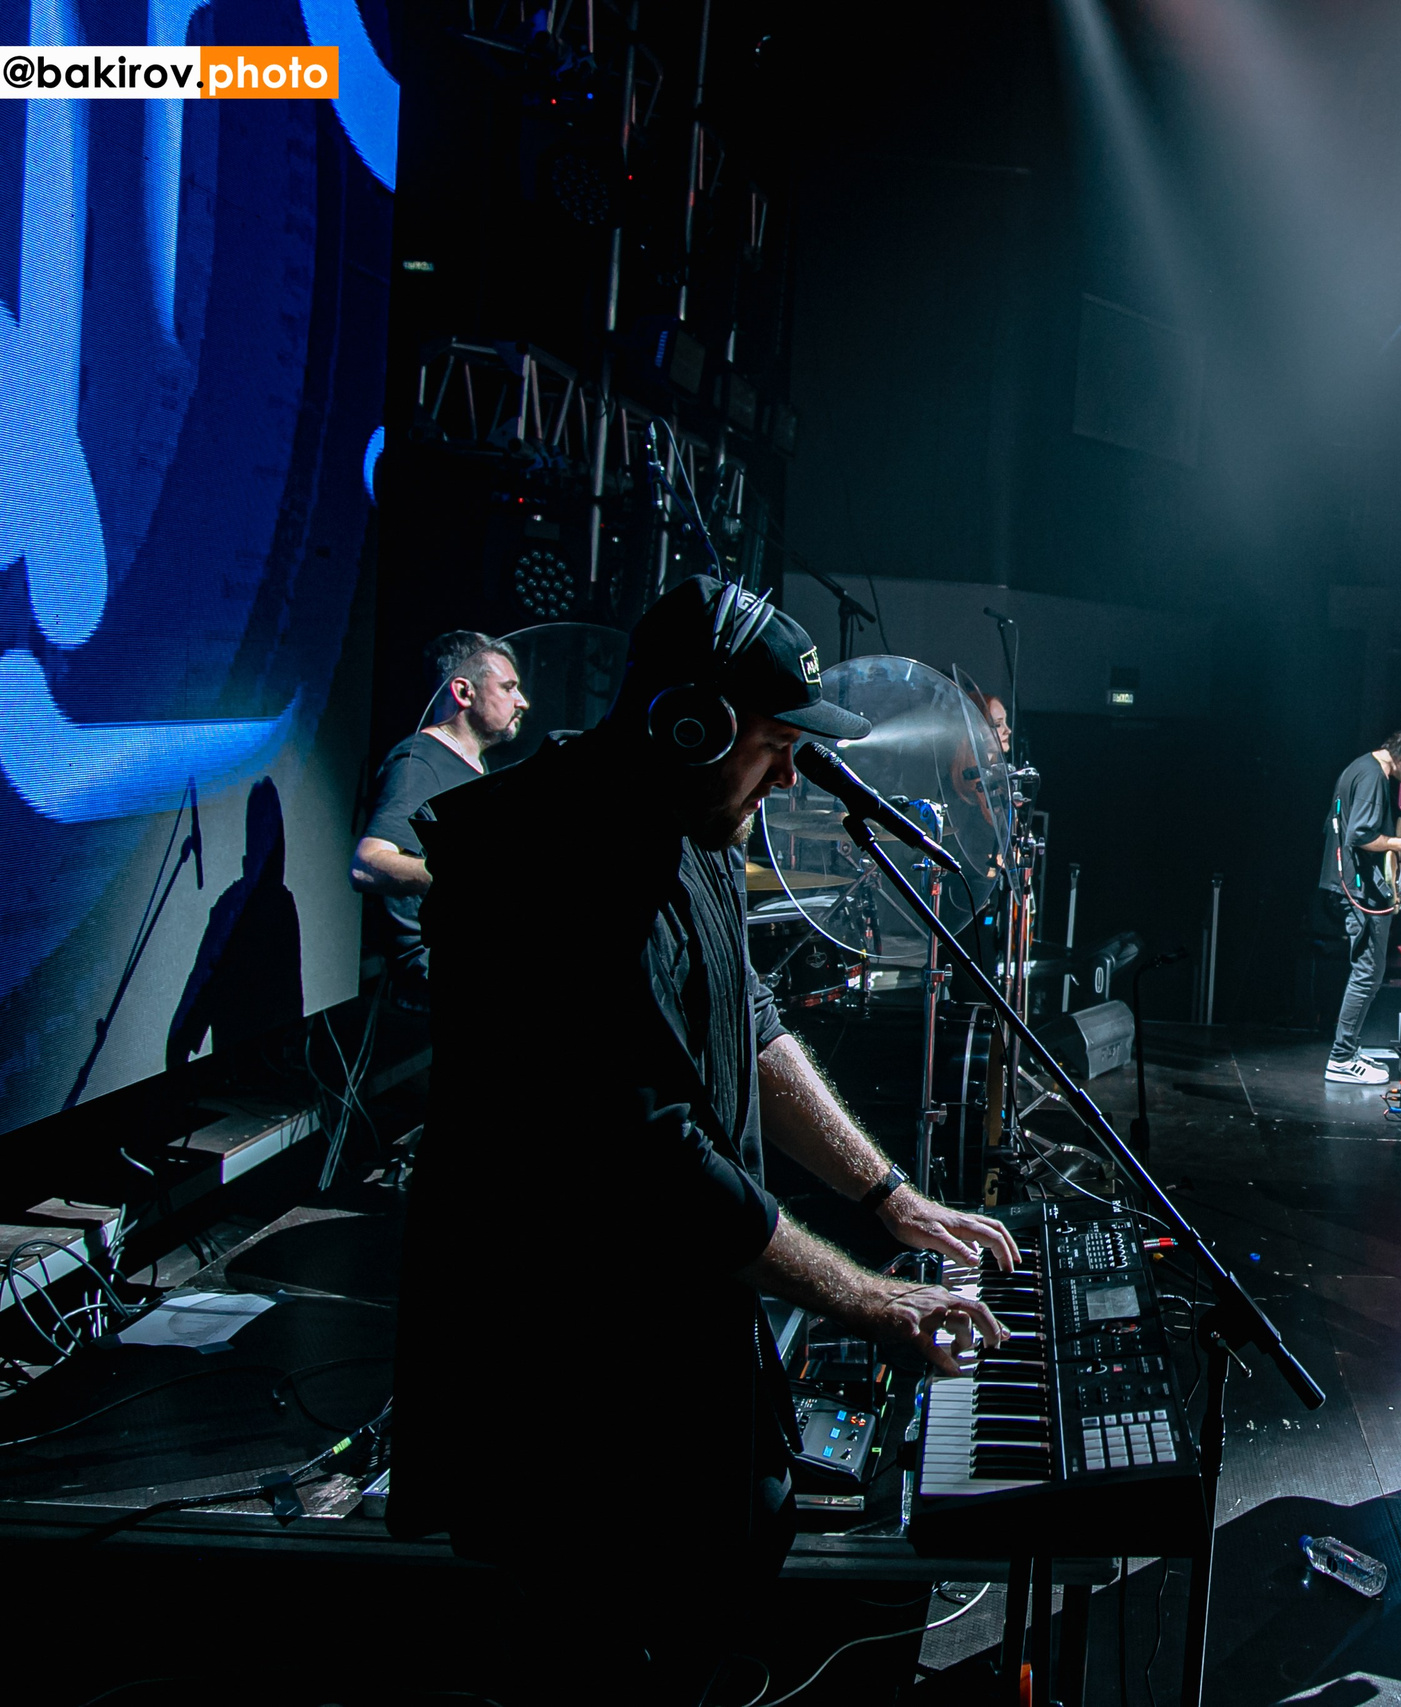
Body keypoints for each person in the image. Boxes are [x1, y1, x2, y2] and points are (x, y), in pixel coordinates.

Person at [394, 579, 1015, 1693]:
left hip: (659, 1341)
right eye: (776, 746)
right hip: (567, 1386)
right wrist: (879, 1302)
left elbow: (752, 1023)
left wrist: (890, 1199)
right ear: (693, 723)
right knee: (593, 1654)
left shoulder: (689, 819)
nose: (788, 774)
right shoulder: (559, 865)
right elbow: (656, 1160)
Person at [350, 631, 532, 1000]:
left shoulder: (471, 766)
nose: (522, 702)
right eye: (508, 687)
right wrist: (471, 876)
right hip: (442, 972)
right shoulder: (419, 762)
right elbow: (366, 864)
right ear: (465, 692)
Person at [1315, 725, 1401, 1085]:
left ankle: (1348, 1049)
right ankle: (1341, 1057)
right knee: (1368, 970)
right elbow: (1361, 834)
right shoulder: (1372, 776)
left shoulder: (1361, 769)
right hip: (1357, 890)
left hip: (1352, 886)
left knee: (1369, 969)